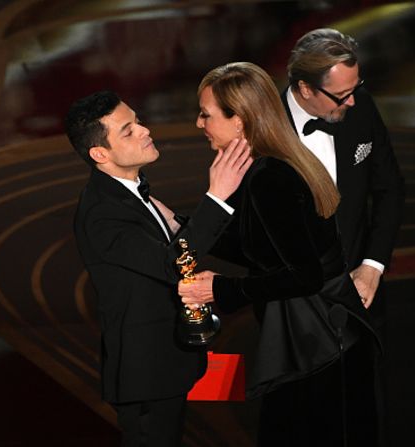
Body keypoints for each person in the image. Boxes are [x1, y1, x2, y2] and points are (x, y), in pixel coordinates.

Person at [177, 62, 381, 447]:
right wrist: (183, 222)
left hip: (316, 350)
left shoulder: (270, 179)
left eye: (206, 114)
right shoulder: (273, 167)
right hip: (328, 341)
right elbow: (266, 251)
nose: (198, 123)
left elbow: (304, 276)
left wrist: (220, 290)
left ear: (240, 121)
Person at [65, 90, 252, 447]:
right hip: (146, 374)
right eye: (128, 130)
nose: (145, 130)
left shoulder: (129, 193)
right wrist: (217, 198)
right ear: (100, 154)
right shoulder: (102, 214)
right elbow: (171, 265)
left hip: (165, 364)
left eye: (137, 121)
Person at [283, 28, 406, 446]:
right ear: (304, 87)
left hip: (360, 293)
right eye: (341, 95)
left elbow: (389, 190)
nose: (352, 101)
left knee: (363, 412)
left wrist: (372, 267)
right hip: (291, 306)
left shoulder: (362, 107)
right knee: (298, 418)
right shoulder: (263, 125)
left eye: (356, 89)